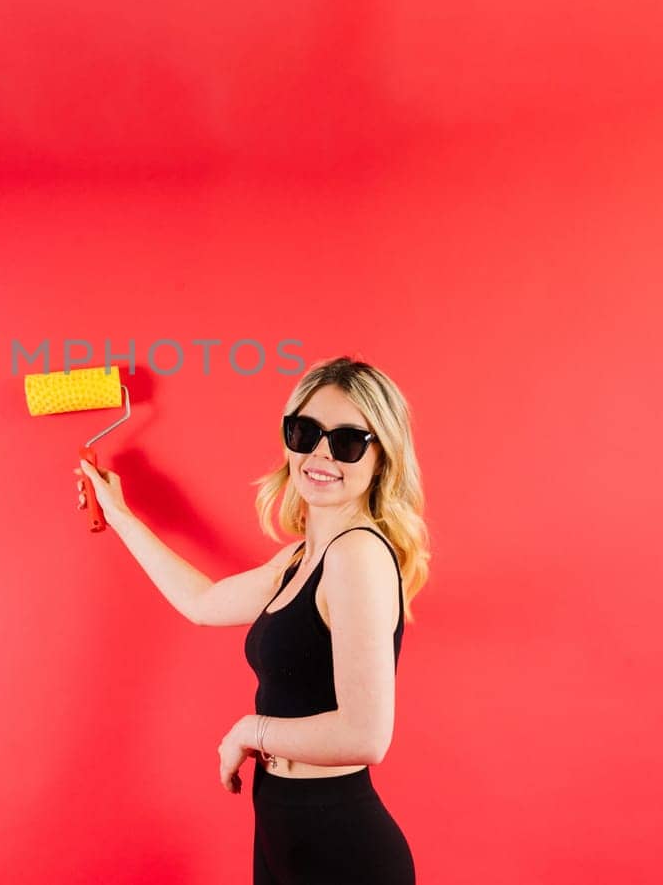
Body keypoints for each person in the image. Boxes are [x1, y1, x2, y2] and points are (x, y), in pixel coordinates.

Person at [76, 355, 429, 884]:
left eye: (349, 440)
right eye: (305, 431)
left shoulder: (356, 555)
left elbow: (367, 734)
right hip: (284, 829)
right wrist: (121, 515)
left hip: (341, 849)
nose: (320, 454)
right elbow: (203, 602)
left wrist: (250, 731)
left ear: (383, 456)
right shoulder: (301, 558)